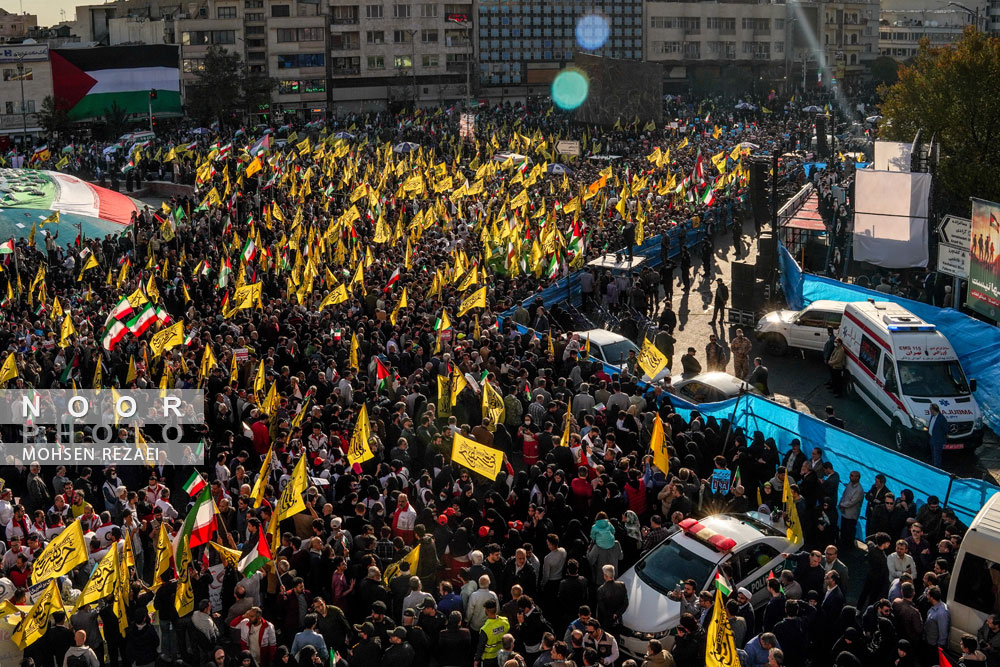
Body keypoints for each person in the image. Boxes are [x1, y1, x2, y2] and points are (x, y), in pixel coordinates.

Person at [477, 599, 510, 667]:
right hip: (502, 654)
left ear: (486, 611)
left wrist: (476, 659)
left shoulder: (485, 629)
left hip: (488, 658)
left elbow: (481, 647)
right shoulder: (505, 621)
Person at [927, 403, 948, 468]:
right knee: (933, 456)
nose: (930, 411)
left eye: (930, 409)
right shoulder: (932, 416)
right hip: (932, 439)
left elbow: (946, 429)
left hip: (938, 441)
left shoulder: (941, 419)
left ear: (933, 410)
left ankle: (937, 469)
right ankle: (934, 467)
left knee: (937, 457)